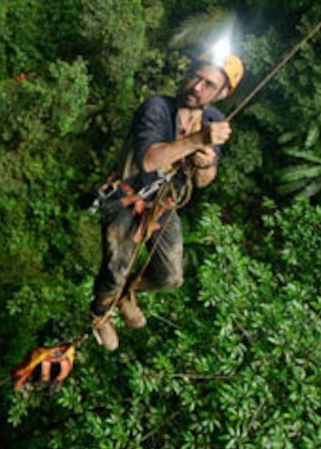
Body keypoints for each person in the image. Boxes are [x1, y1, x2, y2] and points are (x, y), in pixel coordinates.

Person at [90, 52, 242, 351]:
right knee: (115, 268)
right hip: (126, 196)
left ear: (222, 93)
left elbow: (203, 182)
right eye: (195, 77)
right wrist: (196, 141)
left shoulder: (214, 121)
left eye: (208, 84)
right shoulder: (157, 107)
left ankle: (126, 295)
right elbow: (149, 161)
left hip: (162, 203)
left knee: (170, 275)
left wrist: (206, 163)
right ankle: (99, 313)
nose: (197, 87)